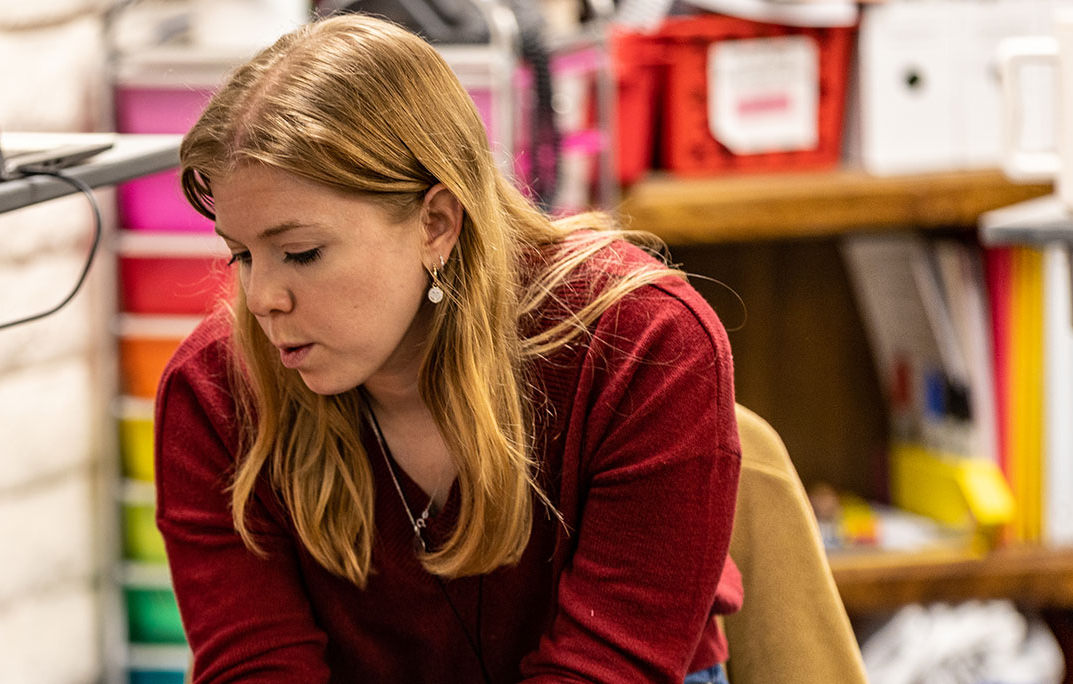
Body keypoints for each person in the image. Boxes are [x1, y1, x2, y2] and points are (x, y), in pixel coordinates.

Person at [155, 15, 743, 684]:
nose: (262, 299)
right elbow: (255, 668)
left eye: (300, 253)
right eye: (241, 254)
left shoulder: (646, 345)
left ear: (436, 222)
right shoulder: (213, 392)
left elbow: (607, 667)